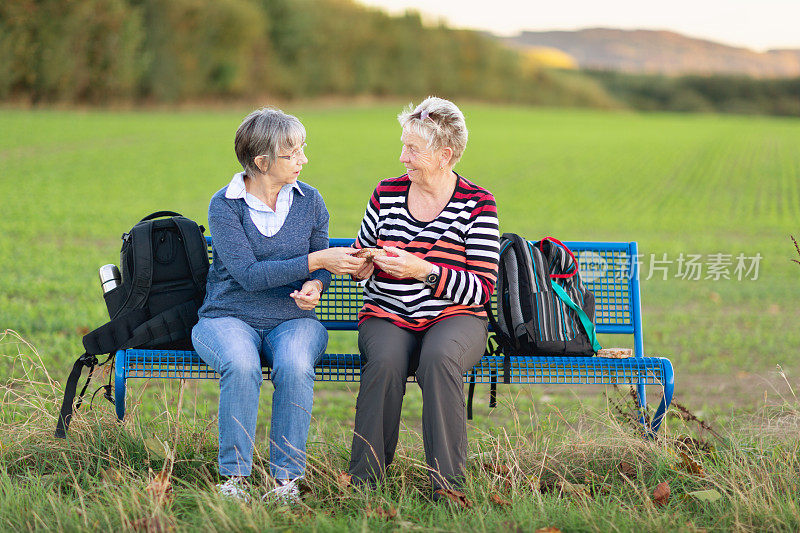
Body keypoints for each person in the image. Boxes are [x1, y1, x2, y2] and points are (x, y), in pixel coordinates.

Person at [191, 108, 366, 502]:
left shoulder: (310, 200)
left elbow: (319, 263)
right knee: (240, 364)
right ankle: (234, 479)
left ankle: (286, 482)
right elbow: (249, 276)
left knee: (294, 365)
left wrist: (315, 285)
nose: (303, 160)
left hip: (293, 319)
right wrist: (317, 263)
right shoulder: (225, 206)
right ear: (262, 162)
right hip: (228, 316)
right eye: (293, 153)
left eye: (303, 150)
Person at [347, 97, 500, 498]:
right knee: (384, 361)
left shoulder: (477, 203)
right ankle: (365, 484)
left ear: (444, 155)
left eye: (412, 149)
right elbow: (361, 249)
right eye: (403, 146)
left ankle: (447, 489)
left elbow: (483, 287)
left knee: (439, 359)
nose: (402, 158)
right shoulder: (386, 192)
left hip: (455, 317)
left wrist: (425, 271)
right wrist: (363, 261)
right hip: (387, 314)